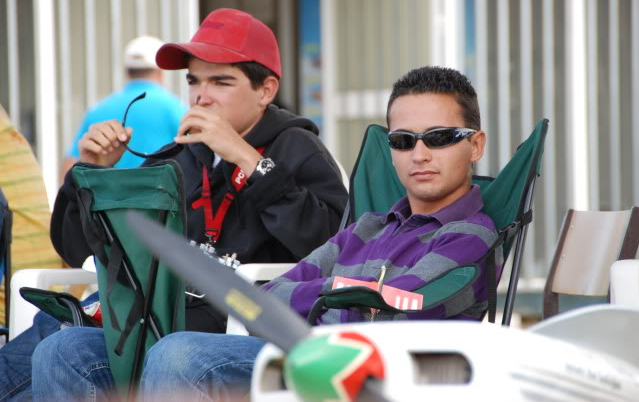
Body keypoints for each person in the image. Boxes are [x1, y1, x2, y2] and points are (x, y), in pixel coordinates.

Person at [32, 66, 498, 401]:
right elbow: (271, 295)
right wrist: (338, 292)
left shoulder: (470, 235)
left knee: (178, 355)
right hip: (294, 353)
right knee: (64, 349)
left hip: (370, 375)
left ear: (474, 144)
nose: (419, 153)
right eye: (402, 140)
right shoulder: (370, 227)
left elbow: (404, 304)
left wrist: (328, 292)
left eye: (439, 137)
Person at [1, 8, 347, 401]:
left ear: (266, 90)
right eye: (194, 81)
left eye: (221, 81)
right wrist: (89, 174)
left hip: (239, 330)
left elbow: (333, 244)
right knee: (60, 348)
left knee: (170, 352)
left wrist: (249, 162)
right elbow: (79, 250)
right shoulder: (178, 157)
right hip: (155, 321)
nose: (202, 95)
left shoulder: (298, 148)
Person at [60, 35, 187, 179]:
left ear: (127, 72)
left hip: (112, 199)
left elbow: (70, 166)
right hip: (160, 198)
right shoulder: (176, 108)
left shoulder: (98, 110)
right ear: (161, 72)